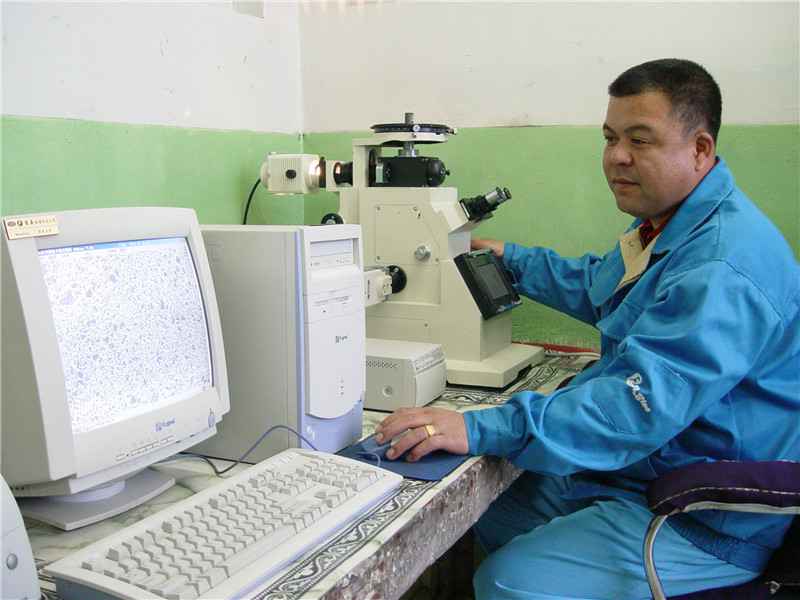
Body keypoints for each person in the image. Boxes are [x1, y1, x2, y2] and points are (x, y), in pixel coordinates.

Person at [375, 58, 800, 599]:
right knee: (485, 510)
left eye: (639, 140)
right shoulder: (671, 224)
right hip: (645, 467)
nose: (617, 156)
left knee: (507, 580)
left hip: (703, 510)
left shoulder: (722, 267)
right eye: (609, 138)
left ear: (700, 149)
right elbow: (604, 288)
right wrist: (513, 260)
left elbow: (633, 408)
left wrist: (480, 427)